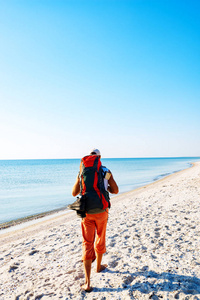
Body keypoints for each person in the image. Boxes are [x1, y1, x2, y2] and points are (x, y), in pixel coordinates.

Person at [72, 148, 118, 292]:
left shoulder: (82, 171)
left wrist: (79, 177)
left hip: (87, 212)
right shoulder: (105, 170)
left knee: (87, 243)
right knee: (100, 238)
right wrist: (107, 188)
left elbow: (74, 193)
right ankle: (98, 267)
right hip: (102, 210)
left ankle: (87, 283)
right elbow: (115, 190)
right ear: (99, 157)